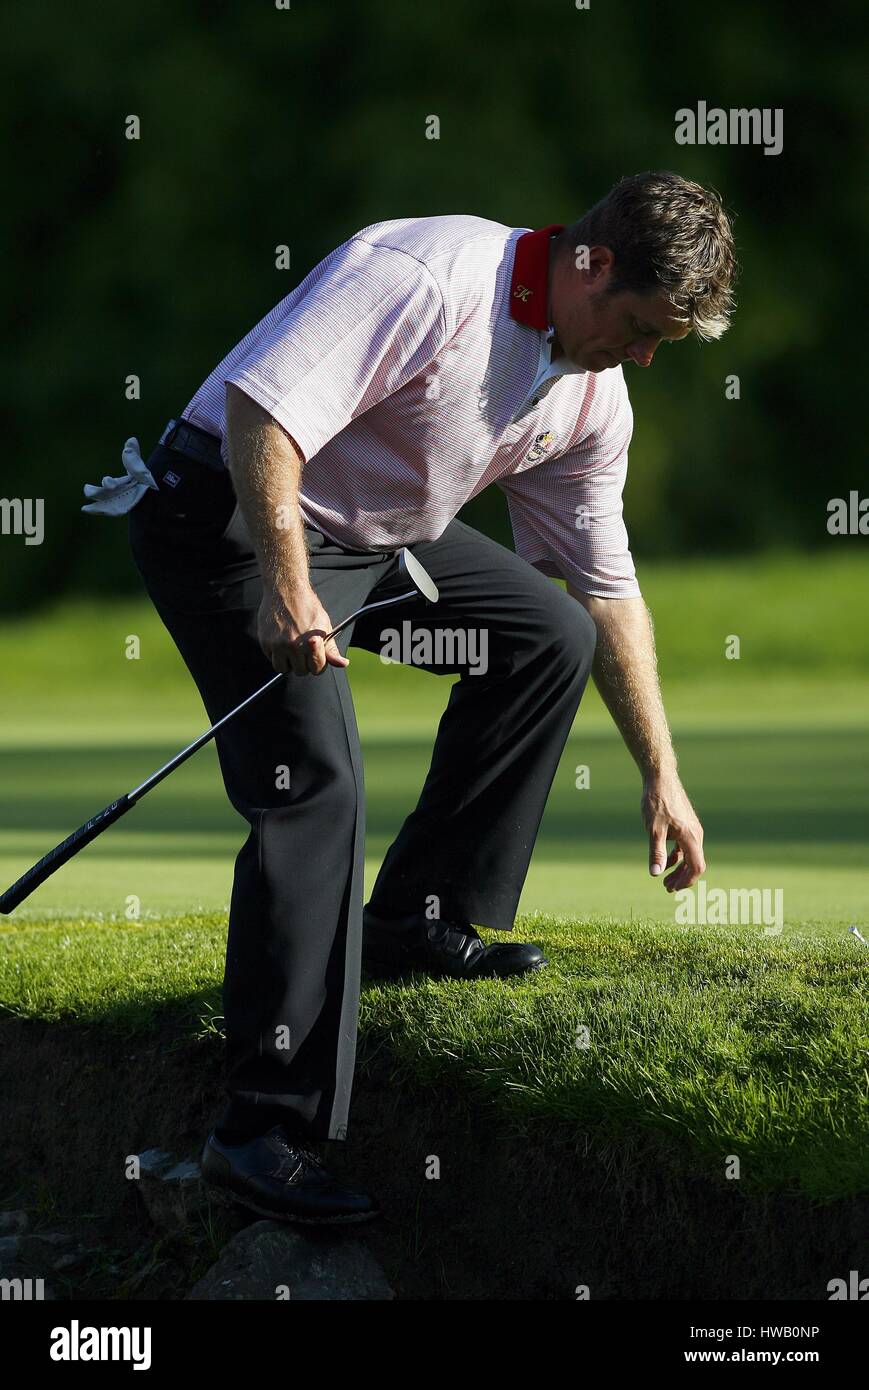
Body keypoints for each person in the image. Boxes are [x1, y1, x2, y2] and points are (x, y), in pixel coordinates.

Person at [88, 170, 737, 1223]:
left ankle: (424, 921)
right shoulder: (428, 275)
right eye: (642, 326)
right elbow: (262, 411)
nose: (647, 355)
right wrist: (287, 587)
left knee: (547, 632)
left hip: (375, 536)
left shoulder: (588, 389)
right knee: (315, 785)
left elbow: (606, 589)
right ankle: (260, 1129)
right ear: (593, 265)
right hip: (231, 514)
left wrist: (661, 774)